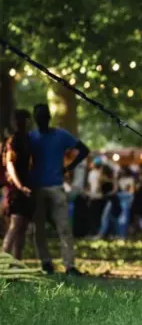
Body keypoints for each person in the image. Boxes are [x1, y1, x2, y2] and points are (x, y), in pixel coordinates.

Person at [29, 103, 89, 275]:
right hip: (37, 187)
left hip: (55, 186)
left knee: (63, 227)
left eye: (43, 116)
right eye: (38, 116)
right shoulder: (31, 137)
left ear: (48, 118)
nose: (41, 119)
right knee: (39, 228)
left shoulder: (60, 135)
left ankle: (69, 265)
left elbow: (84, 150)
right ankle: (46, 262)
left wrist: (68, 168)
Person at [2, 110, 34, 260]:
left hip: (27, 187)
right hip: (16, 189)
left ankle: (16, 263)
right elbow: (10, 165)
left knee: (22, 228)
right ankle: (3, 262)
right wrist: (20, 187)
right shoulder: (13, 141)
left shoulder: (28, 139)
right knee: (15, 226)